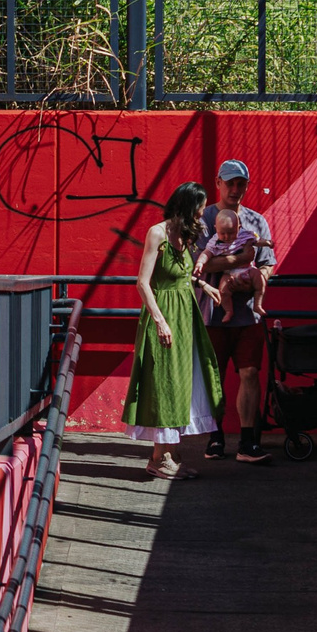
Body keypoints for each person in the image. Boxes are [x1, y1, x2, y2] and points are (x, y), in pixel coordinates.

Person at [121, 182, 225, 478]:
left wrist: (203, 284)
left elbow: (181, 276)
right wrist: (160, 320)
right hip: (165, 316)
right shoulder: (158, 233)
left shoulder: (185, 236)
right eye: (200, 208)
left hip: (185, 318)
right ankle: (158, 459)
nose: (203, 214)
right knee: (163, 382)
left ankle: (170, 453)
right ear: (187, 207)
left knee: (182, 381)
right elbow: (143, 282)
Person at [198, 157, 275, 464]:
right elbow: (198, 265)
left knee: (250, 372)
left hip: (248, 315)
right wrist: (242, 260)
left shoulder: (257, 222)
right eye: (229, 183)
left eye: (240, 183)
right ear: (217, 183)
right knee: (212, 377)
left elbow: (268, 263)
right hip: (212, 313)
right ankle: (215, 438)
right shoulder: (204, 220)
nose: (234, 189)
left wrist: (255, 280)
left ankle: (247, 441)